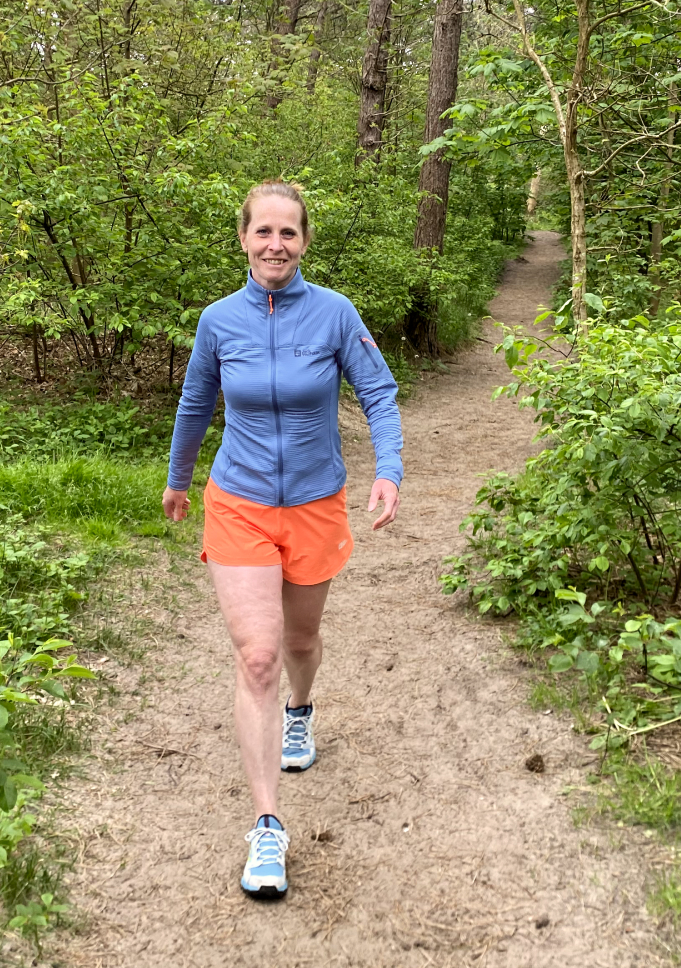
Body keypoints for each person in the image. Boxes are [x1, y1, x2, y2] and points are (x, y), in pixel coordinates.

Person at [163, 180, 404, 900]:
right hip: (236, 501)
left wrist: (388, 469)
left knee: (299, 645)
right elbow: (196, 399)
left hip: (313, 502)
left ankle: (302, 713)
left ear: (304, 242)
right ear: (242, 239)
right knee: (258, 655)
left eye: (288, 233)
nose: (275, 245)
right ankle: (267, 826)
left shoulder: (334, 313)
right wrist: (179, 479)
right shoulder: (217, 320)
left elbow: (380, 391)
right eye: (262, 232)